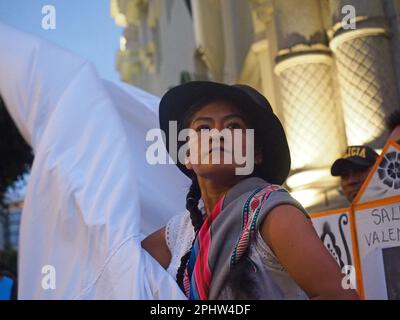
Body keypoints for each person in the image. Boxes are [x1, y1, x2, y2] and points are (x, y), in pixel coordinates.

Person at [142, 81, 359, 300]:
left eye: (233, 127)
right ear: (187, 155)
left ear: (256, 153)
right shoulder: (179, 232)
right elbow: (119, 265)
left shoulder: (275, 214)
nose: (217, 135)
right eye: (203, 128)